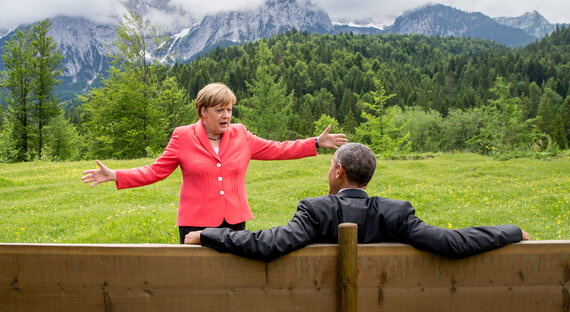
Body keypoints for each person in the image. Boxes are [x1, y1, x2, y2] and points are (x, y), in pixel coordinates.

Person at [81, 83, 347, 243]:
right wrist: (116, 175)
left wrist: (314, 142)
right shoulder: (182, 136)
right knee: (196, 281)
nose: (226, 115)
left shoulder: (241, 134)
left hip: (234, 221)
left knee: (232, 279)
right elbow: (155, 171)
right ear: (203, 111)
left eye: (229, 109)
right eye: (220, 110)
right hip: (195, 222)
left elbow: (277, 149)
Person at [184, 143, 530, 261]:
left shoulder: (315, 210)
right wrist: (512, 231)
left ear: (338, 171)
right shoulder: (396, 213)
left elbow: (269, 244)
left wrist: (209, 234)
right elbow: (454, 242)